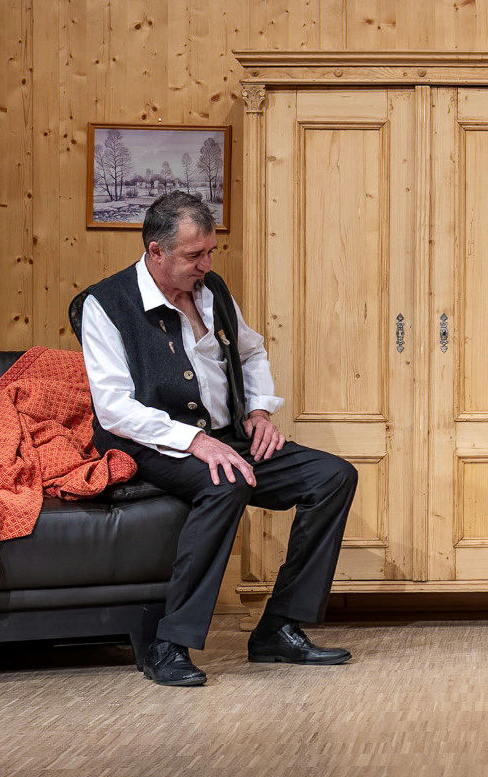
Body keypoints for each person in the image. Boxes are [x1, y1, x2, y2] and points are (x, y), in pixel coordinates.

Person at [77, 192, 358, 686]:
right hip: (152, 441)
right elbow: (115, 408)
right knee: (224, 481)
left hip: (227, 434)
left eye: (210, 252)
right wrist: (194, 442)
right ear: (156, 251)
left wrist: (259, 410)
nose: (206, 265)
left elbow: (251, 352)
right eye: (194, 255)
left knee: (332, 476)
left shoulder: (212, 290)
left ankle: (278, 628)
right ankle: (169, 644)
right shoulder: (105, 304)